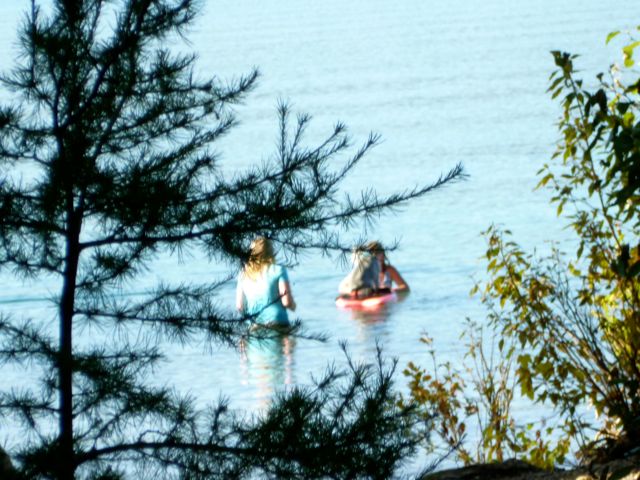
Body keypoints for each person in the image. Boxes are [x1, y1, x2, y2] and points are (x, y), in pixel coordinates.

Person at [236, 237, 296, 326]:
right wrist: (293, 306)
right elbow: (286, 301)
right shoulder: (278, 270)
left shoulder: (244, 274)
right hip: (277, 321)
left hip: (254, 324)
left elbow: (240, 306)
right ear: (271, 252)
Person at [338, 241, 409, 298]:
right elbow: (344, 286)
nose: (376, 255)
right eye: (374, 253)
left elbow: (405, 288)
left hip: (384, 299)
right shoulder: (364, 269)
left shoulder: (389, 270)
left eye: (379, 253)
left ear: (383, 254)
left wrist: (390, 290)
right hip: (367, 297)